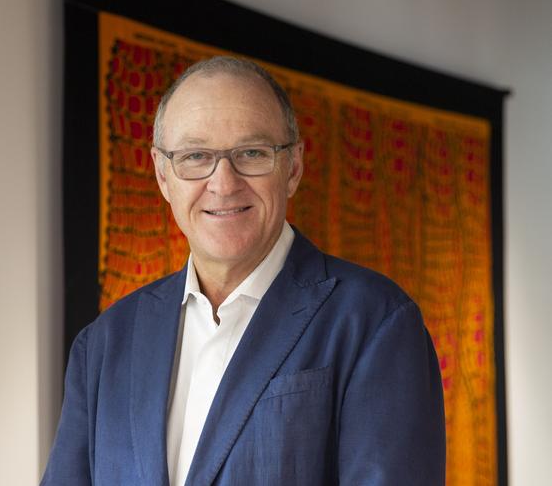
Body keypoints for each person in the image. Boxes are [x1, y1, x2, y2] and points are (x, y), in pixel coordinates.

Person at [41, 56, 446, 486]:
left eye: (252, 153)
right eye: (196, 156)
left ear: (293, 168)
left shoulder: (375, 321)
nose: (224, 183)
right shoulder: (104, 344)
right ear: (163, 175)